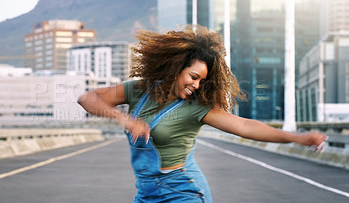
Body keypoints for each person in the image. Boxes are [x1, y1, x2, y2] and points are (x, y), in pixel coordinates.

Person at [77, 25, 327, 203]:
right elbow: (87, 98)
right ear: (175, 68)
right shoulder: (139, 90)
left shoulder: (197, 107)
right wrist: (125, 119)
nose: (196, 85)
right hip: (146, 192)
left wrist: (297, 138)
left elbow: (245, 127)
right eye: (193, 77)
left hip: (181, 192)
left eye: (201, 81)